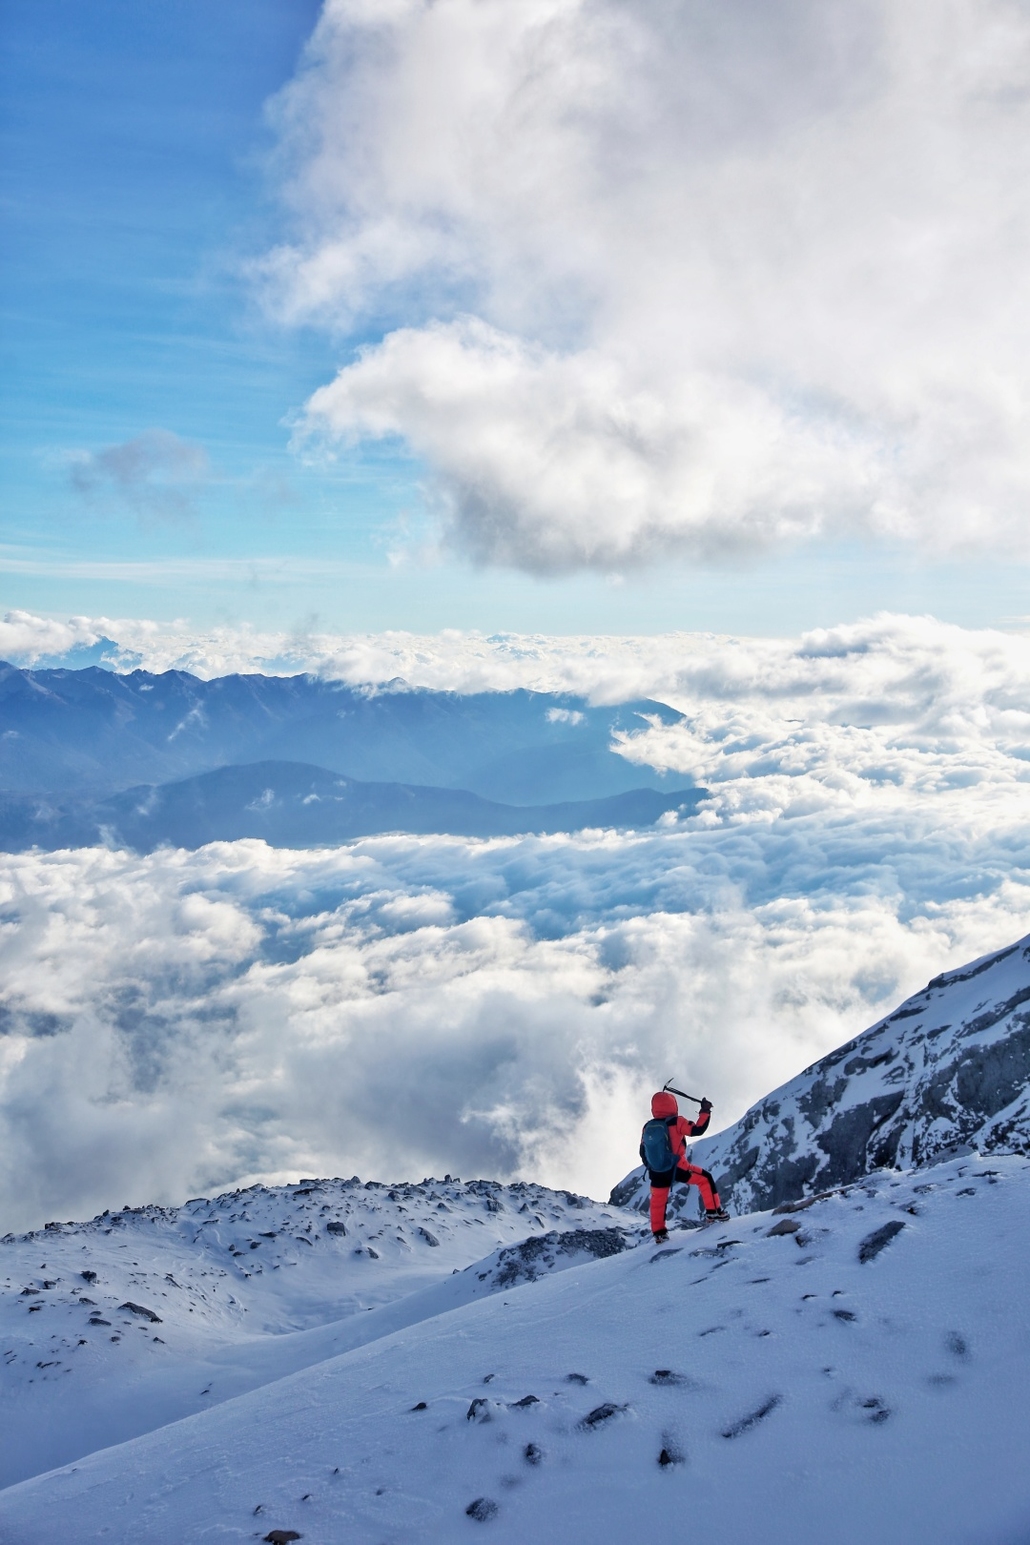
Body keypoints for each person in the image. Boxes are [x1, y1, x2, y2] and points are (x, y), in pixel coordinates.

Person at [640, 1089, 730, 1241]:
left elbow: (643, 1151)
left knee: (657, 1201)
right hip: (678, 1168)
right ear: (673, 1105)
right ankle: (714, 1212)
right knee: (705, 1178)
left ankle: (659, 1233)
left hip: (656, 1171)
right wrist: (705, 1111)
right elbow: (698, 1129)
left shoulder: (648, 1126)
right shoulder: (677, 1122)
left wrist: (654, 1166)